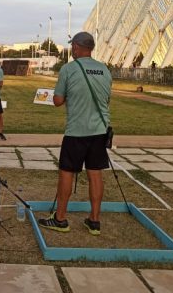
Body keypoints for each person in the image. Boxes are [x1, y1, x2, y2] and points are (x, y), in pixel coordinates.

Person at [38, 31, 112, 236]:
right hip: (99, 130)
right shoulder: (104, 69)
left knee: (67, 173)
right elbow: (107, 101)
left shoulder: (69, 69)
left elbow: (57, 100)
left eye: (73, 46)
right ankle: (94, 220)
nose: (72, 49)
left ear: (78, 47)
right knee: (96, 173)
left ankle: (60, 218)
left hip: (76, 131)